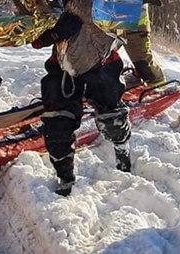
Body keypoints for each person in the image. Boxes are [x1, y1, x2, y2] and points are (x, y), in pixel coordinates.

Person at [32, 13, 132, 196]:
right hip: (63, 65)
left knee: (112, 117)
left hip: (103, 63)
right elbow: (32, 35)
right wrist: (53, 35)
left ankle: (122, 149)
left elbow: (127, 26)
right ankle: (65, 176)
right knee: (57, 122)